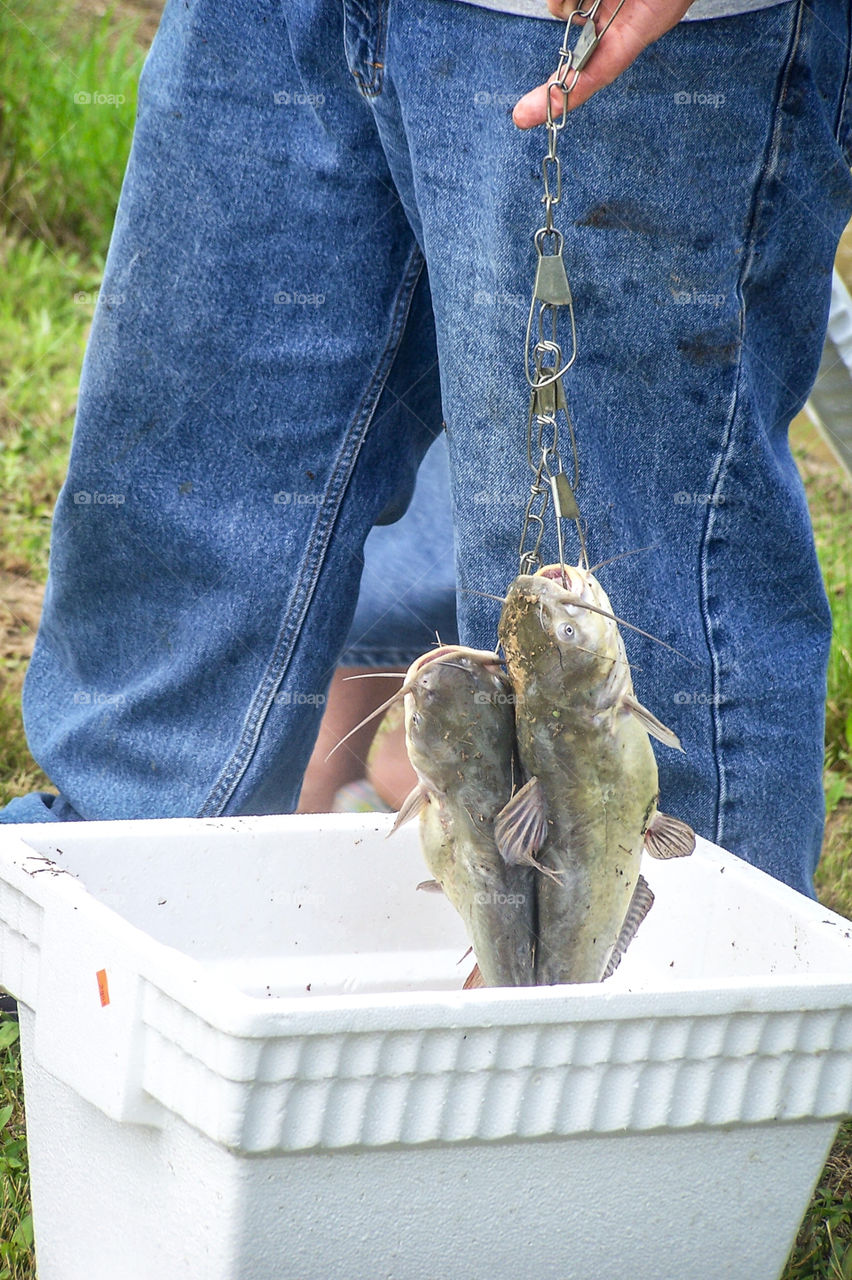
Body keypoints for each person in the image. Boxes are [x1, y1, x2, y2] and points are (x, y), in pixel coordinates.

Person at [1, 0, 849, 904]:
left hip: (600, 33)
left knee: (628, 652)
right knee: (188, 511)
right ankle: (99, 946)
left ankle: (685, 1011)